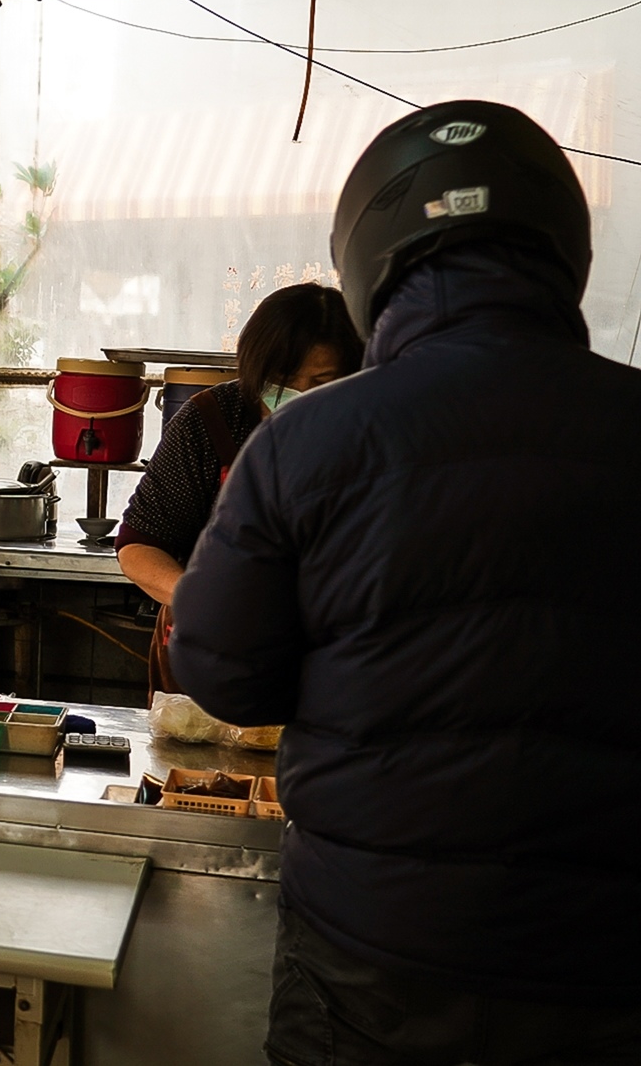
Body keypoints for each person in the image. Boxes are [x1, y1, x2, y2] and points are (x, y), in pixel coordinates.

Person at [171, 101, 641, 1065]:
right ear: (563, 246)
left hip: (370, 953)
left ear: (370, 263)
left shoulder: (307, 440)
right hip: (607, 958)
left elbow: (221, 674)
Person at [115, 284, 362, 692]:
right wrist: (203, 601)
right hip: (215, 655)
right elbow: (139, 543)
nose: (297, 398)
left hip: (337, 658)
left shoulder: (372, 431)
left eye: (321, 383)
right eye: (280, 382)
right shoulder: (211, 421)